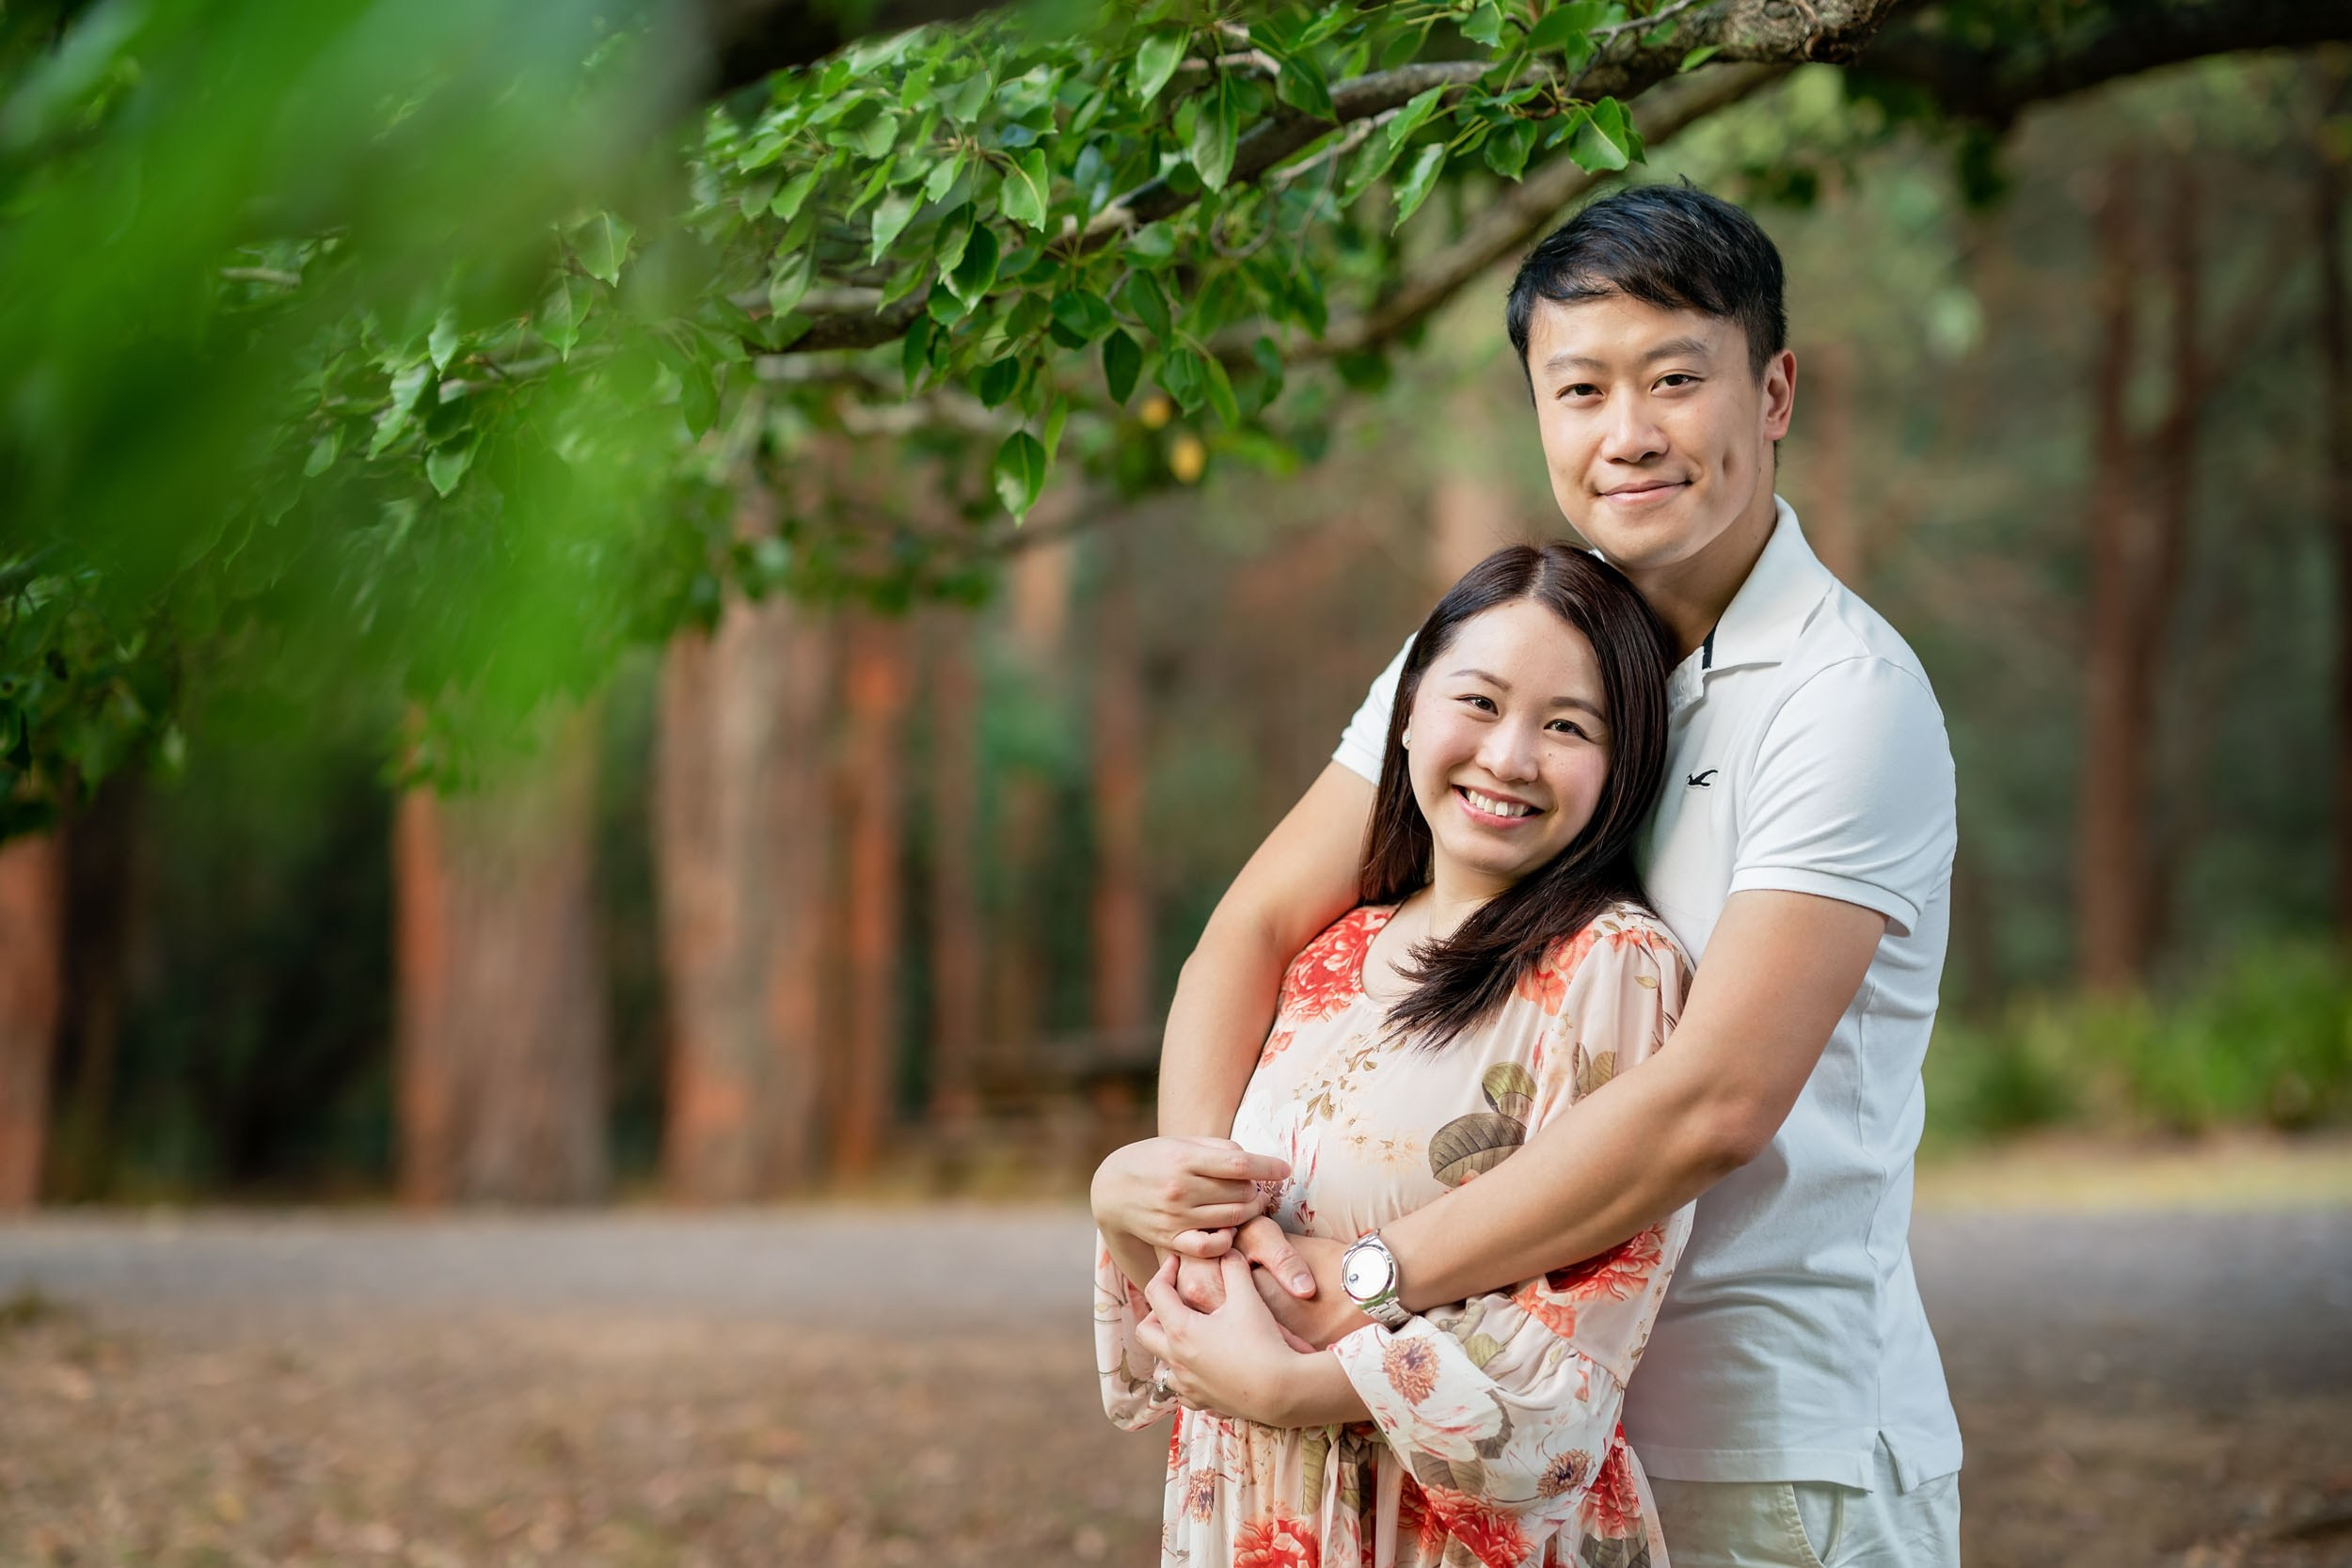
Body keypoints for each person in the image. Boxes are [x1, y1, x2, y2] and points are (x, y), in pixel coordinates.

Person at [1113, 183, 1964, 1568]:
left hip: (1753, 1444)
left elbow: (1714, 1102)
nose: (1625, 432)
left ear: (1775, 390)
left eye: (1675, 379)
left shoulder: (1842, 696)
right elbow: (1258, 923)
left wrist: (1367, 1279)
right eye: (1578, 388)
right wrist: (1211, 1228)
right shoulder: (1522, 646)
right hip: (1480, 1432)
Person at [1093, 543, 1694, 1567]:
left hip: (1442, 1528)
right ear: (1407, 711)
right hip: (1249, 1505)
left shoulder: (1612, 969)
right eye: (1479, 702)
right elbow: (1202, 1292)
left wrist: (1302, 1385)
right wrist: (1121, 1198)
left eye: (1565, 725)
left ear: (1621, 762)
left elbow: (1582, 1346)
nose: (1508, 757)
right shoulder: (1328, 953)